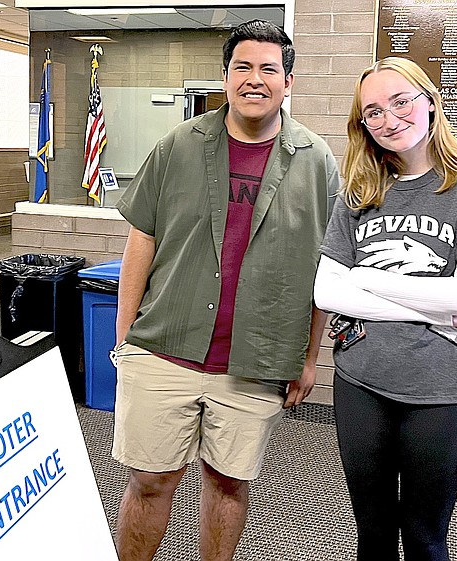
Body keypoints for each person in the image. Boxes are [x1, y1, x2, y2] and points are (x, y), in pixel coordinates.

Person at [111, 19, 340, 561]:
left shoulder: (317, 162)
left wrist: (309, 357)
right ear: (224, 75)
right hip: (164, 347)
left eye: (268, 68)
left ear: (288, 81)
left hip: (256, 359)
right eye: (243, 66)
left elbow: (323, 270)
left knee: (228, 485)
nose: (254, 79)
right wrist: (127, 338)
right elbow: (140, 243)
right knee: (149, 481)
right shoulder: (178, 146)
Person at [313, 56, 457, 561]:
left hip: (441, 389)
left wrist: (364, 278)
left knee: (426, 537)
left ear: (430, 101)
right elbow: (326, 292)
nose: (389, 119)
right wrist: (427, 308)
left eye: (401, 101)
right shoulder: (358, 191)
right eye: (373, 112)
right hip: (361, 381)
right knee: (373, 533)